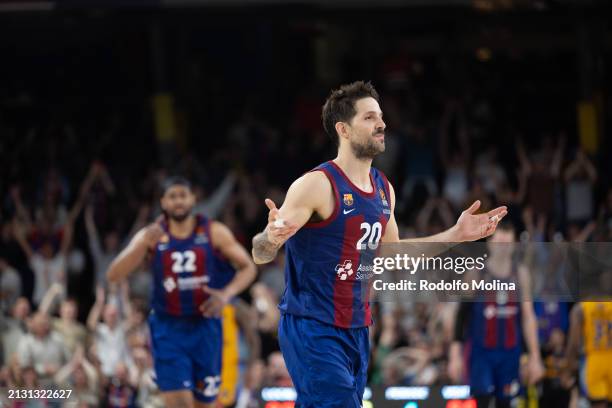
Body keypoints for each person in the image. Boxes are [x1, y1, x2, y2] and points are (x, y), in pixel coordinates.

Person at [251, 80, 508, 407]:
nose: (382, 124)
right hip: (313, 326)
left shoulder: (383, 188)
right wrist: (270, 239)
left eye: (381, 116)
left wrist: (455, 235)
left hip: (358, 327)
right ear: (343, 129)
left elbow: (395, 257)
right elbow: (260, 253)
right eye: (370, 117)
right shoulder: (316, 185)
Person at [107, 176, 256, 408]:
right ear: (163, 202)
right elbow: (113, 275)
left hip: (206, 327)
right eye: (172, 196)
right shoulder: (153, 236)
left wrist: (226, 294)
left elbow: (248, 267)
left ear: (193, 199)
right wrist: (140, 245)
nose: (178, 201)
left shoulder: (213, 231)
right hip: (169, 329)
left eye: (182, 195)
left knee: (203, 404)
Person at [447, 222, 545, 408]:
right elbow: (461, 314)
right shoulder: (476, 272)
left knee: (506, 402)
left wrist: (534, 356)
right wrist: (455, 354)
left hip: (510, 352)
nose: (503, 244)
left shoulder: (520, 274)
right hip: (481, 352)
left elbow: (528, 317)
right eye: (499, 238)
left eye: (507, 238)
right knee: (482, 400)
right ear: (490, 242)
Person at [564, 301, 612, 408]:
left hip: (594, 362)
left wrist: (568, 370)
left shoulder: (581, 307)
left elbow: (574, 344)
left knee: (598, 403)